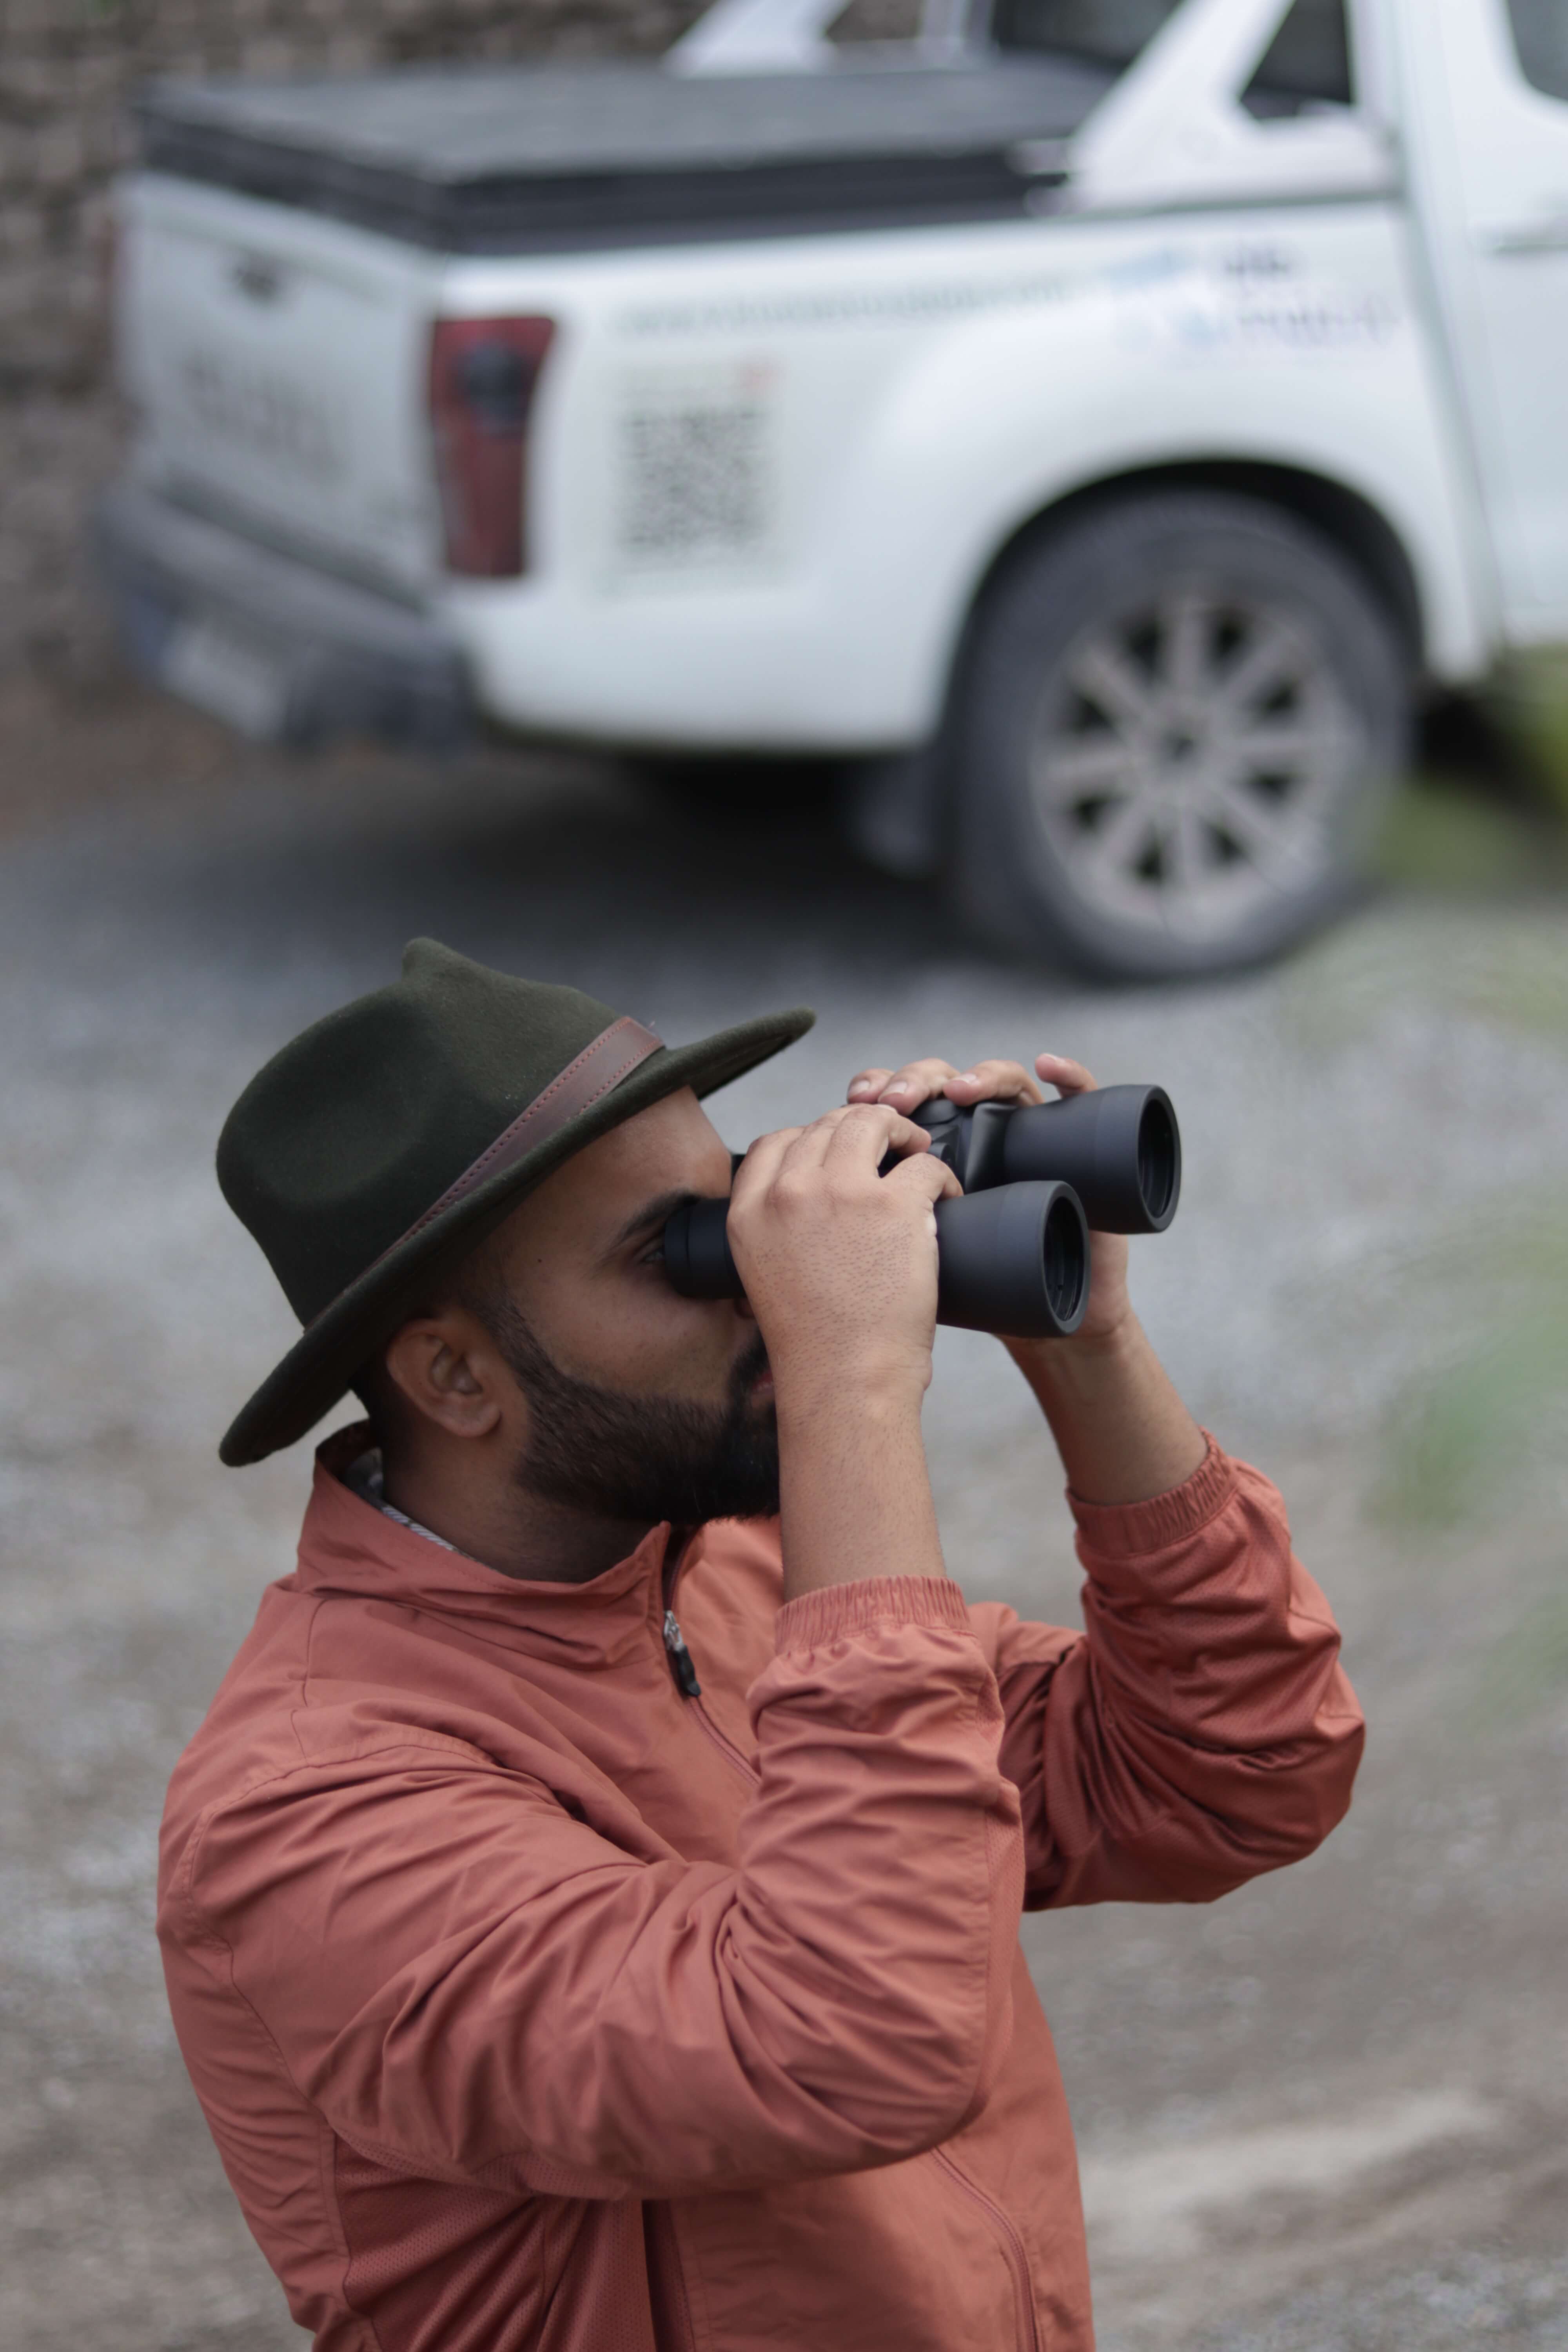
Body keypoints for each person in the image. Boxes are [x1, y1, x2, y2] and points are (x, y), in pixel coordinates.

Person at [158, 937, 1364, 2352]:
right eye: (674, 1251)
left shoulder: (720, 1576)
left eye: (739, 1212)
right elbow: (858, 2035)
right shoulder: (304, 1816)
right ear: (454, 1377)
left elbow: (1230, 1775)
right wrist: (848, 1381)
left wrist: (1087, 1343)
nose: (756, 1281)